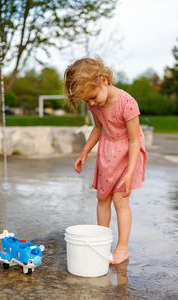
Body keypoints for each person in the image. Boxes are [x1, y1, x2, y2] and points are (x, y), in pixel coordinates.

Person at [64, 57, 147, 265]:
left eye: (92, 98)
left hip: (128, 153)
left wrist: (130, 172)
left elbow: (135, 140)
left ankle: (122, 247)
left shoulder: (127, 103)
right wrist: (84, 152)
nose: (92, 104)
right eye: (87, 102)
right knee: (102, 199)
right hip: (107, 152)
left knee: (120, 200)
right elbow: (99, 128)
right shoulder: (95, 105)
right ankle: (102, 242)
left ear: (104, 79)